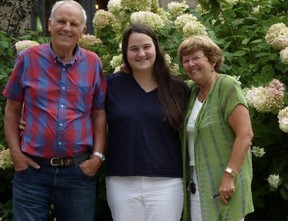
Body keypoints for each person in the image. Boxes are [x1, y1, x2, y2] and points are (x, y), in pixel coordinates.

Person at [2, 1, 106, 221]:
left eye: (73, 23)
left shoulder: (93, 63)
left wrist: (97, 157)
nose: (66, 28)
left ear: (83, 31)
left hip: (78, 172)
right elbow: (12, 110)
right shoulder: (28, 59)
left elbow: (98, 113)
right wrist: (16, 155)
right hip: (32, 171)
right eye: (61, 21)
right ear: (50, 25)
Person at [105, 23, 190, 221]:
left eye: (146, 47)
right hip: (121, 180)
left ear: (156, 49)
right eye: (134, 48)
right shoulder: (110, 86)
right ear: (126, 53)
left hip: (167, 181)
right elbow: (88, 118)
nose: (141, 53)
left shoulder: (177, 88)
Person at [178, 35, 254, 221]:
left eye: (196, 58)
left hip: (226, 180)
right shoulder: (191, 90)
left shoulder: (226, 86)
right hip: (197, 180)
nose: (190, 64)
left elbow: (245, 134)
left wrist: (229, 175)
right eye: (185, 60)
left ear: (212, 60)